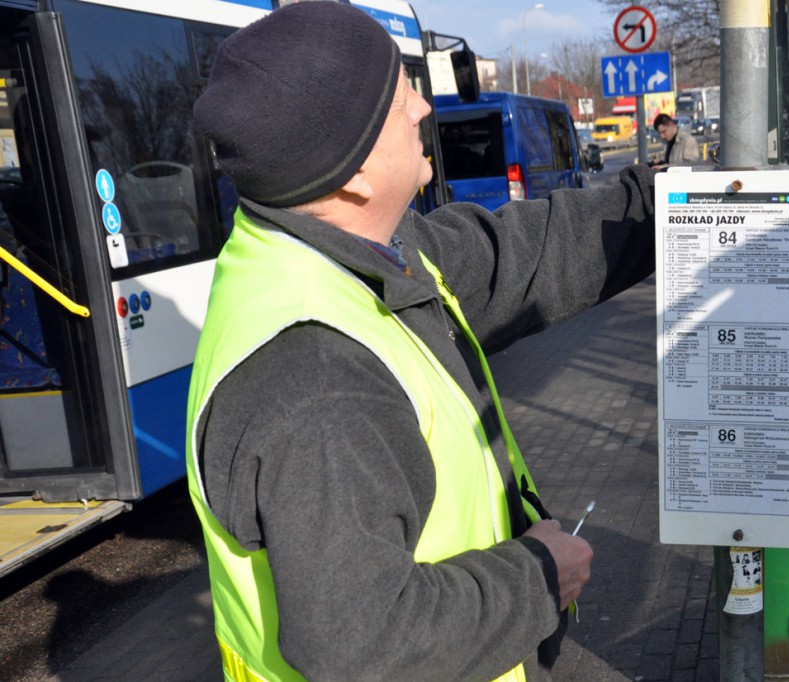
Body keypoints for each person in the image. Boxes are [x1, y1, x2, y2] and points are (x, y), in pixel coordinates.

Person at [187, 3, 657, 681]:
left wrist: (675, 205)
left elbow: (522, 254)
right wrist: (541, 576)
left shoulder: (355, 253)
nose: (421, 107)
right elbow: (363, 642)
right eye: (396, 94)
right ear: (350, 172)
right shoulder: (315, 378)